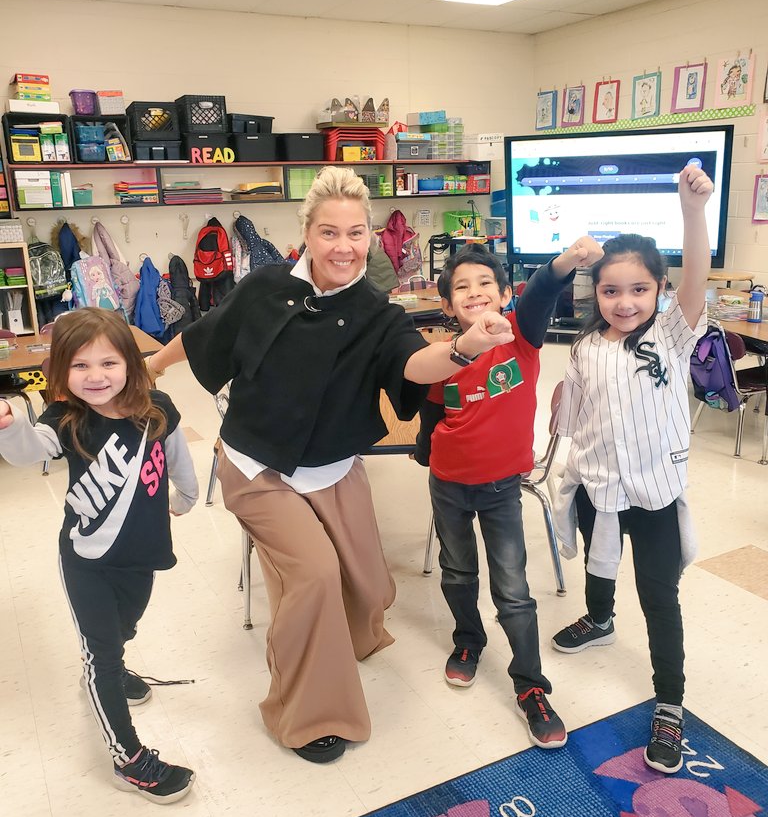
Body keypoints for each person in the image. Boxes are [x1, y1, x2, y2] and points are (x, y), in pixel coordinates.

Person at [145, 166, 515, 765]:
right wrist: (153, 368)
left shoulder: (377, 310)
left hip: (331, 467)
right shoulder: (265, 285)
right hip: (256, 464)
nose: (343, 247)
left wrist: (465, 347)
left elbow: (414, 365)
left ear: (370, 237)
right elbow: (204, 332)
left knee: (367, 581)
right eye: (328, 233)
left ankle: (343, 633)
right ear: (307, 235)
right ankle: (305, 710)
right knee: (313, 573)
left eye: (355, 233)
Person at [551, 164, 713, 775]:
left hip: (655, 494)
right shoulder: (587, 346)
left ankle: (669, 703)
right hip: (599, 482)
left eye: (638, 290)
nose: (624, 302)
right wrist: (558, 413)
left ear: (660, 290)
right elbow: (579, 404)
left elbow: (696, 276)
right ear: (595, 293)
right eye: (611, 291)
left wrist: (692, 212)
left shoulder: (672, 336)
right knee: (599, 561)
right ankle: (598, 617)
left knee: (657, 593)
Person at [0, 309, 199, 803]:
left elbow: (177, 459)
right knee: (101, 656)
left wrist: (186, 499)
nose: (95, 376)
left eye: (107, 363)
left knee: (126, 628)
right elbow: (30, 451)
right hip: (86, 560)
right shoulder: (65, 421)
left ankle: (112, 660)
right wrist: (9, 425)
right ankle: (128, 759)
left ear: (131, 363)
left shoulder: (157, 409)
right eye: (80, 366)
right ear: (61, 372)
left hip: (144, 554)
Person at [413, 238, 603, 749]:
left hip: (501, 489)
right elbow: (433, 411)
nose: (474, 293)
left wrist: (565, 260)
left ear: (502, 295)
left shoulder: (521, 334)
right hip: (449, 485)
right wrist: (426, 452)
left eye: (484, 284)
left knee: (514, 591)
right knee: (457, 573)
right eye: (461, 288)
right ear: (449, 306)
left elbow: (542, 289)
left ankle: (530, 686)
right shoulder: (445, 354)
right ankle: (468, 641)